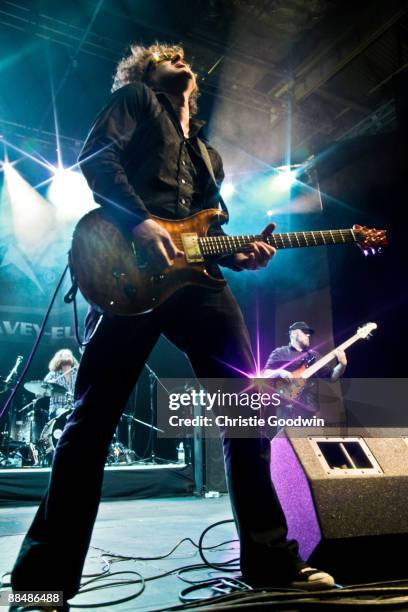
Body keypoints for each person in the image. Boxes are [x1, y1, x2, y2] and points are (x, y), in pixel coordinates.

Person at [11, 44, 335, 607]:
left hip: (197, 288)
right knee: (90, 424)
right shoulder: (137, 101)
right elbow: (96, 157)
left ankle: (271, 562)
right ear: (144, 72)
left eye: (183, 54)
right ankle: (42, 585)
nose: (180, 55)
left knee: (246, 410)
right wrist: (138, 223)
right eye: (166, 54)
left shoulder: (209, 157)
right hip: (127, 275)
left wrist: (243, 253)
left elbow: (212, 236)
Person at [263, 321, 347, 415]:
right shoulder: (279, 353)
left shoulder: (314, 356)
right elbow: (265, 374)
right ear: (294, 333)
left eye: (309, 333)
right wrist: (280, 372)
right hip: (285, 412)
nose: (308, 335)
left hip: (310, 412)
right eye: (304, 332)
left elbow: (332, 377)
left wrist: (342, 365)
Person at [44, 349, 79, 420]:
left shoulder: (77, 374)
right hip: (57, 409)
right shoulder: (53, 374)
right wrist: (49, 384)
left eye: (70, 355)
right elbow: (41, 389)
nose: (68, 355)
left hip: (73, 408)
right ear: (59, 359)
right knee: (66, 414)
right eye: (65, 354)